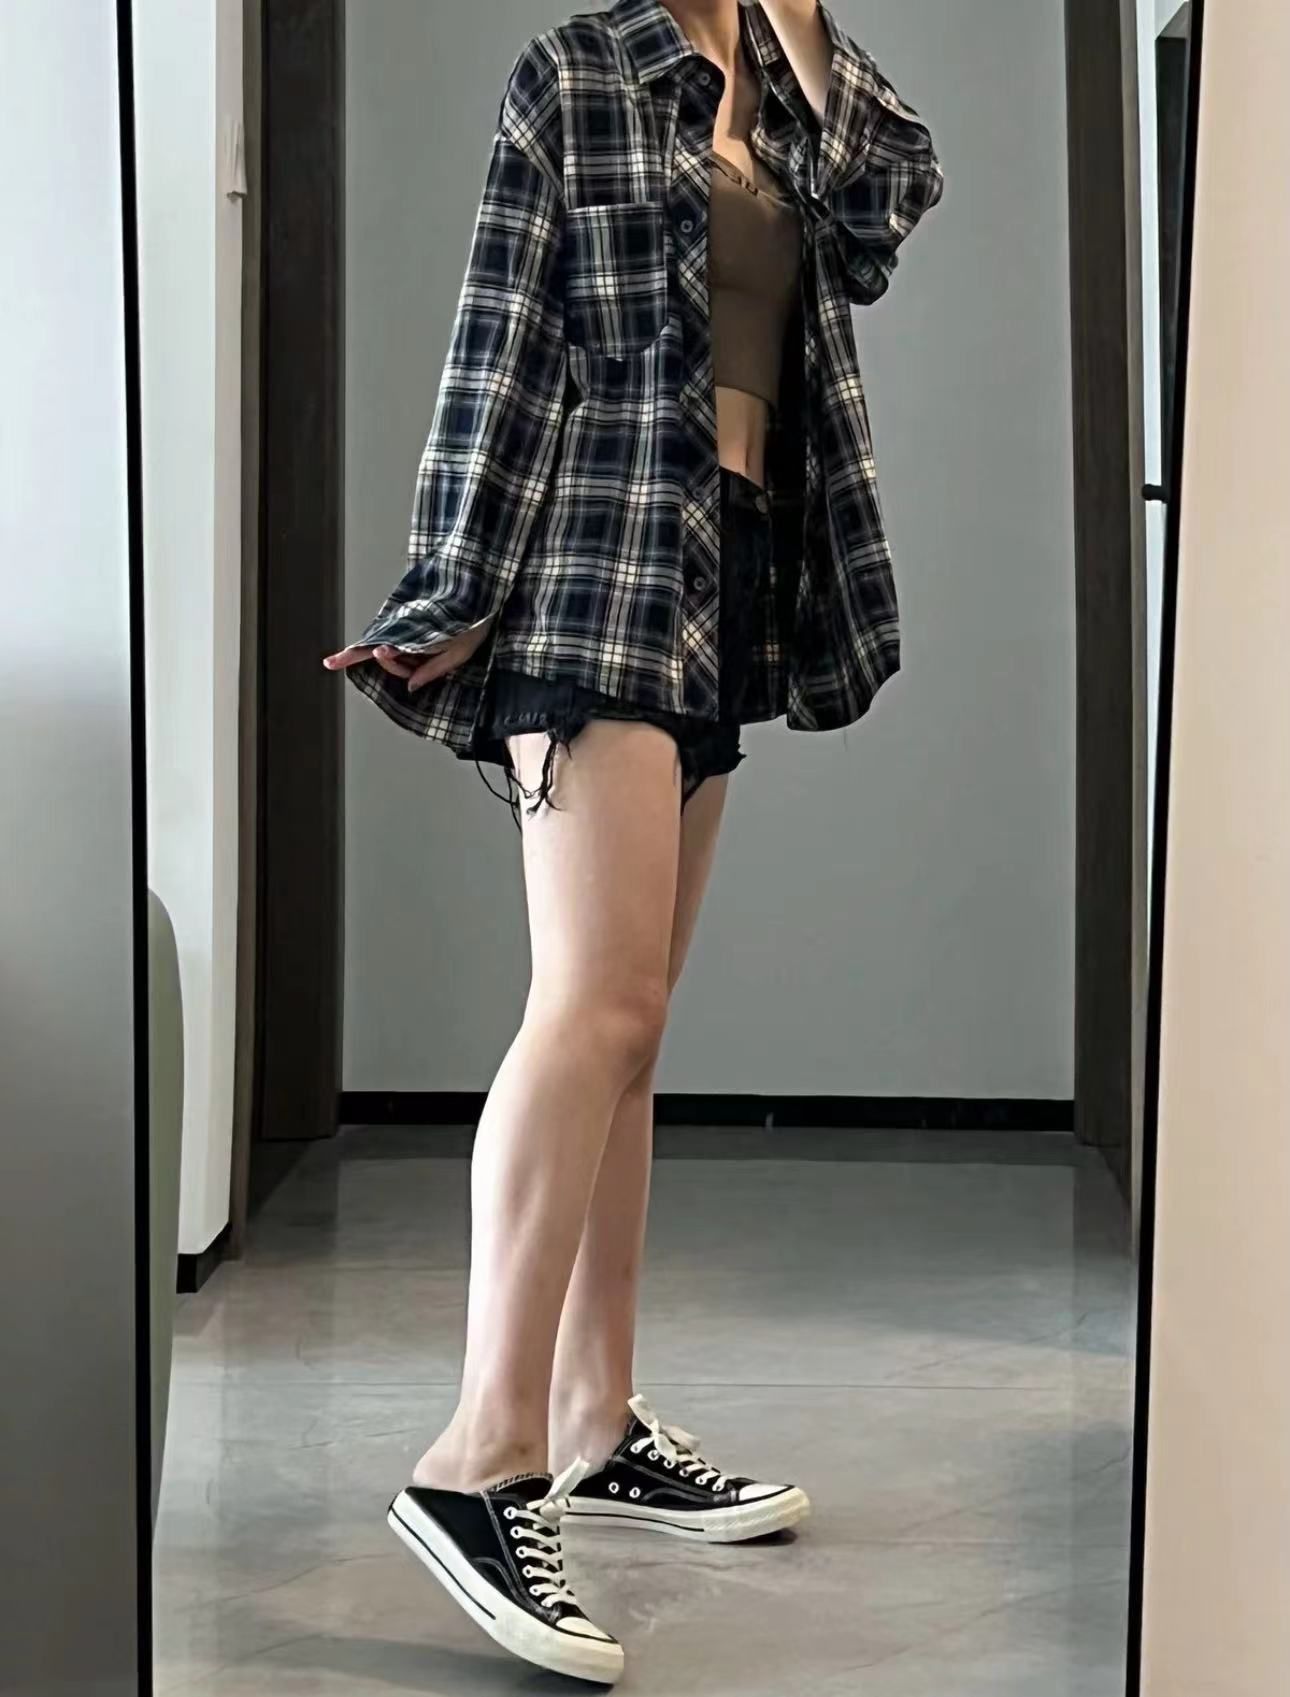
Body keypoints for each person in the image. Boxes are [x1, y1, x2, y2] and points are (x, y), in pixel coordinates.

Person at [324, 0, 941, 1681]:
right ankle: (477, 1454)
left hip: (723, 571)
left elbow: (889, 200)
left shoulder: (793, 97)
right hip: (589, 576)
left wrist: (798, 27)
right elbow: (499, 343)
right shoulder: (575, 75)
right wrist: (450, 587)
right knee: (592, 1003)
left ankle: (595, 1421)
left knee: (635, 1028)